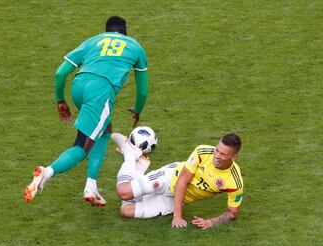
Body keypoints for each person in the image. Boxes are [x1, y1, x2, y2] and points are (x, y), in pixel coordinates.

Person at [24, 16, 148, 206]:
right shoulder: (135, 46)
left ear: (106, 31)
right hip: (101, 92)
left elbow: (60, 73)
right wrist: (137, 109)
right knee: (82, 146)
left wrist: (60, 100)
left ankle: (91, 186)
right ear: (125, 31)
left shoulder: (93, 41)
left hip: (79, 86)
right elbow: (142, 90)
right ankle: (46, 173)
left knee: (104, 133)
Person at [112, 132, 244, 229]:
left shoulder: (234, 182)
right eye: (217, 150)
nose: (217, 156)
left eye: (223, 154)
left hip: (174, 199)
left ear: (234, 157)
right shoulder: (202, 152)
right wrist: (177, 216)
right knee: (124, 192)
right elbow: (182, 180)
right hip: (169, 178)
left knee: (126, 211)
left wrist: (211, 222)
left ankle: (140, 167)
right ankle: (129, 154)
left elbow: (232, 213)